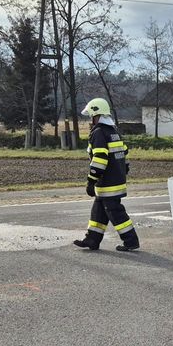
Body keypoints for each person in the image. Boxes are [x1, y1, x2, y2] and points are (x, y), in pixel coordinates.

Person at [73, 98, 140, 252]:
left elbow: (99, 159)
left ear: (96, 115)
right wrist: (124, 169)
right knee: (98, 210)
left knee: (115, 212)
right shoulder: (114, 132)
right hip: (116, 179)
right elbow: (124, 153)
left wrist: (91, 181)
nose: (90, 120)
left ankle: (131, 241)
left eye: (91, 116)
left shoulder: (98, 133)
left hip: (107, 183)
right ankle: (92, 239)